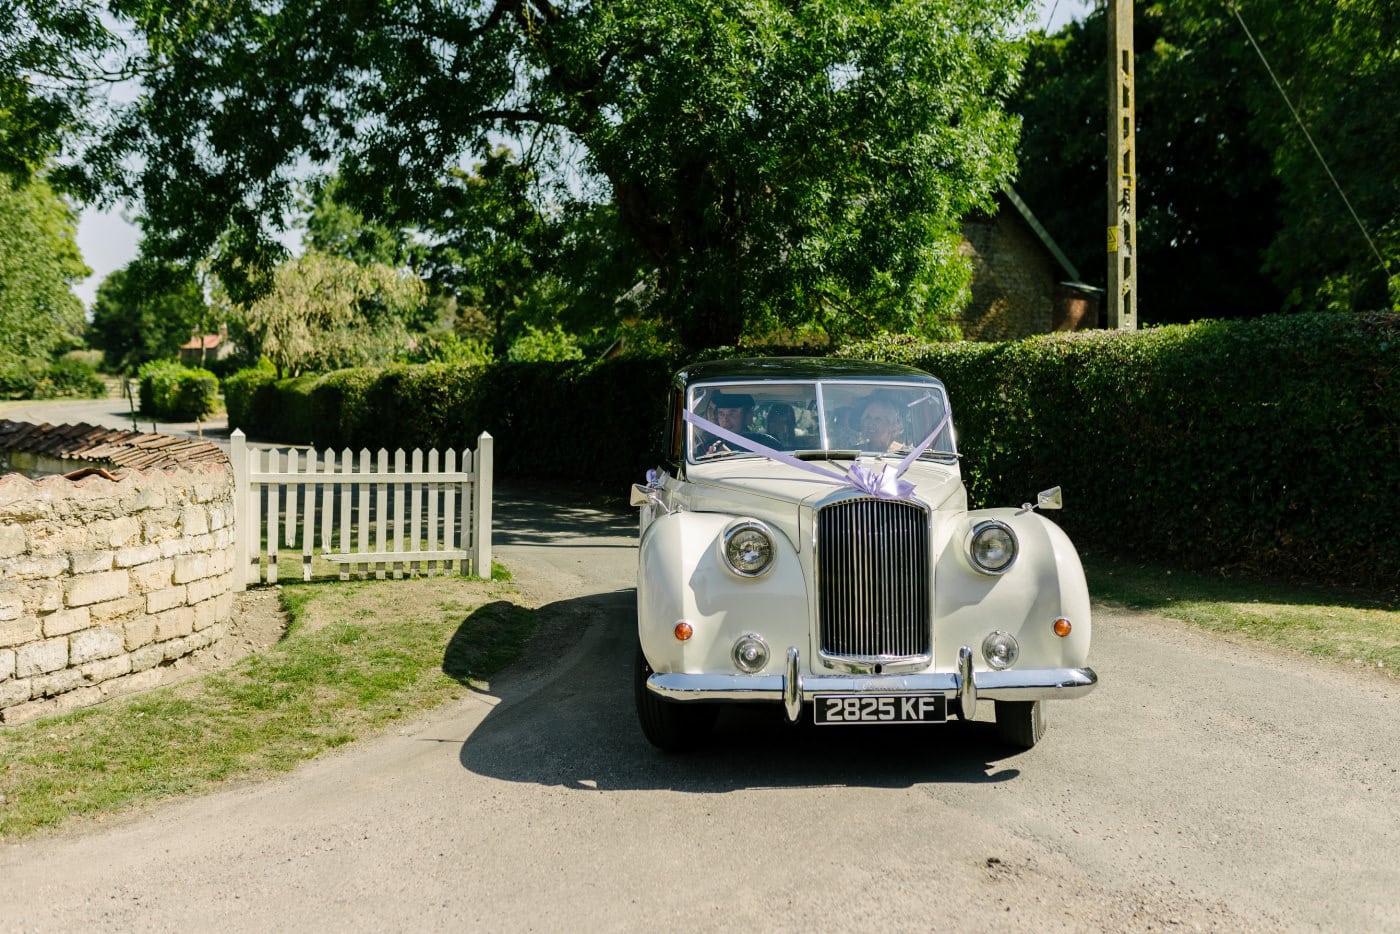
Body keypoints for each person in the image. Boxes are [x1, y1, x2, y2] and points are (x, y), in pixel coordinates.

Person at [694, 392, 754, 457]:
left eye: (732, 413)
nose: (725, 419)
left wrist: (730, 457)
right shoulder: (706, 447)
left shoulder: (761, 444)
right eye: (721, 413)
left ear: (748, 416)